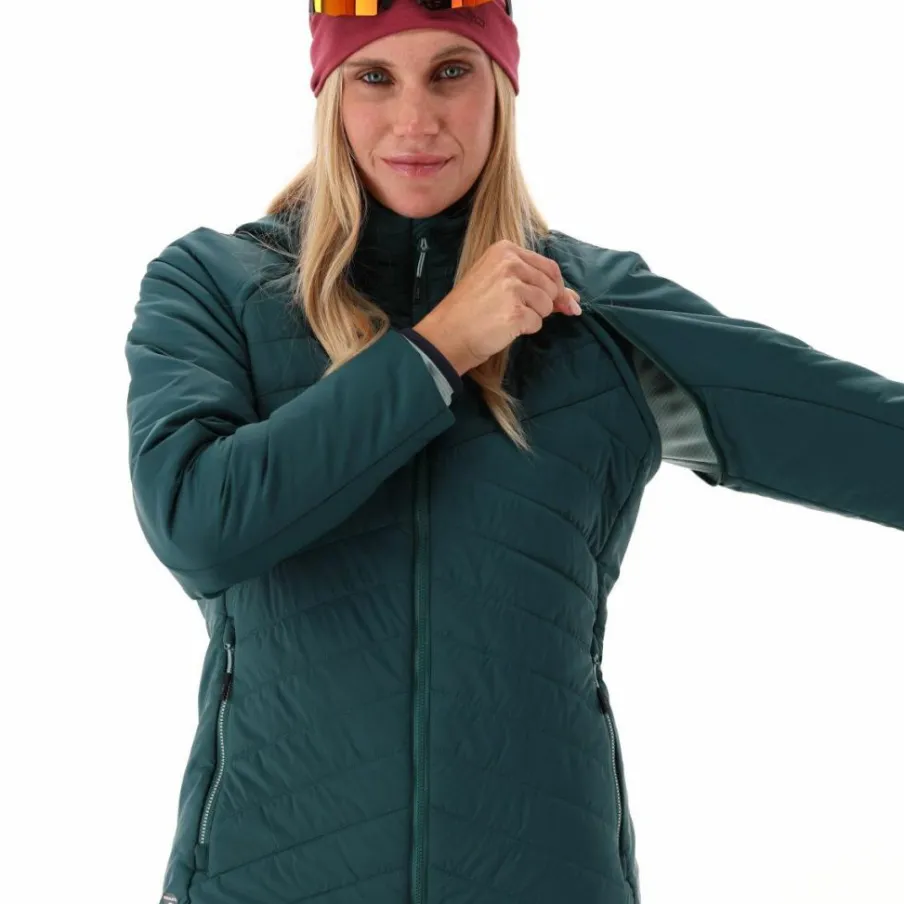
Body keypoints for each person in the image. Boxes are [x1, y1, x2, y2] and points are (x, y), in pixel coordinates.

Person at [124, 2, 904, 903]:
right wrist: (437, 350)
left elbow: (866, 440)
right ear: (331, 94)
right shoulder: (215, 286)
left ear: (501, 86)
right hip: (266, 875)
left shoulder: (594, 311)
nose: (415, 120)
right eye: (375, 77)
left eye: (451, 72)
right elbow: (199, 525)